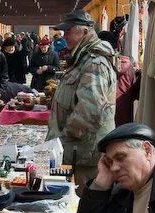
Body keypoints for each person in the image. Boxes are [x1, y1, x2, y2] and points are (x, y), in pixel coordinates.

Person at [46, 10, 117, 195]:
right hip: (78, 152)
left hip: (84, 155)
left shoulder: (94, 62)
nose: (65, 36)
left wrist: (63, 137)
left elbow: (90, 110)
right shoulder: (83, 59)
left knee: (83, 207)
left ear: (84, 32)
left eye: (69, 31)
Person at [98, 30, 139, 126]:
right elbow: (136, 93)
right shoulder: (129, 67)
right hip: (124, 121)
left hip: (103, 122)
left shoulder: (97, 65)